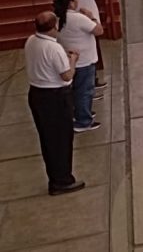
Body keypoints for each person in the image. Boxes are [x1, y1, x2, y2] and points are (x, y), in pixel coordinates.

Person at [24, 12, 84, 196]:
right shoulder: (54, 48)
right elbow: (66, 75)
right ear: (54, 27)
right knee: (61, 139)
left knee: (48, 139)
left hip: (37, 93)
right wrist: (72, 60)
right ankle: (62, 180)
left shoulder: (31, 41)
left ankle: (55, 177)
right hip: (55, 97)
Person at [53, 0, 104, 132]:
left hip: (69, 60)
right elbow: (99, 30)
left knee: (75, 90)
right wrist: (92, 17)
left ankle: (79, 112)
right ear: (70, 3)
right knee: (84, 91)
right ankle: (83, 120)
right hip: (84, 60)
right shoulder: (79, 18)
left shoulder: (58, 18)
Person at [59, 0, 111, 89]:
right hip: (86, 22)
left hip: (76, 23)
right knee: (90, 54)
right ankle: (91, 83)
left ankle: (91, 81)